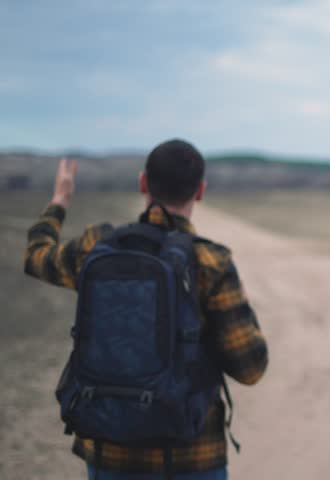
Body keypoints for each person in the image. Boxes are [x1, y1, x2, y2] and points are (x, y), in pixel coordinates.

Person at [24, 140, 268, 480]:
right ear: (199, 191)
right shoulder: (210, 261)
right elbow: (250, 368)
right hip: (192, 456)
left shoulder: (98, 247)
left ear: (143, 183)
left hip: (109, 450)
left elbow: (36, 258)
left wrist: (59, 203)